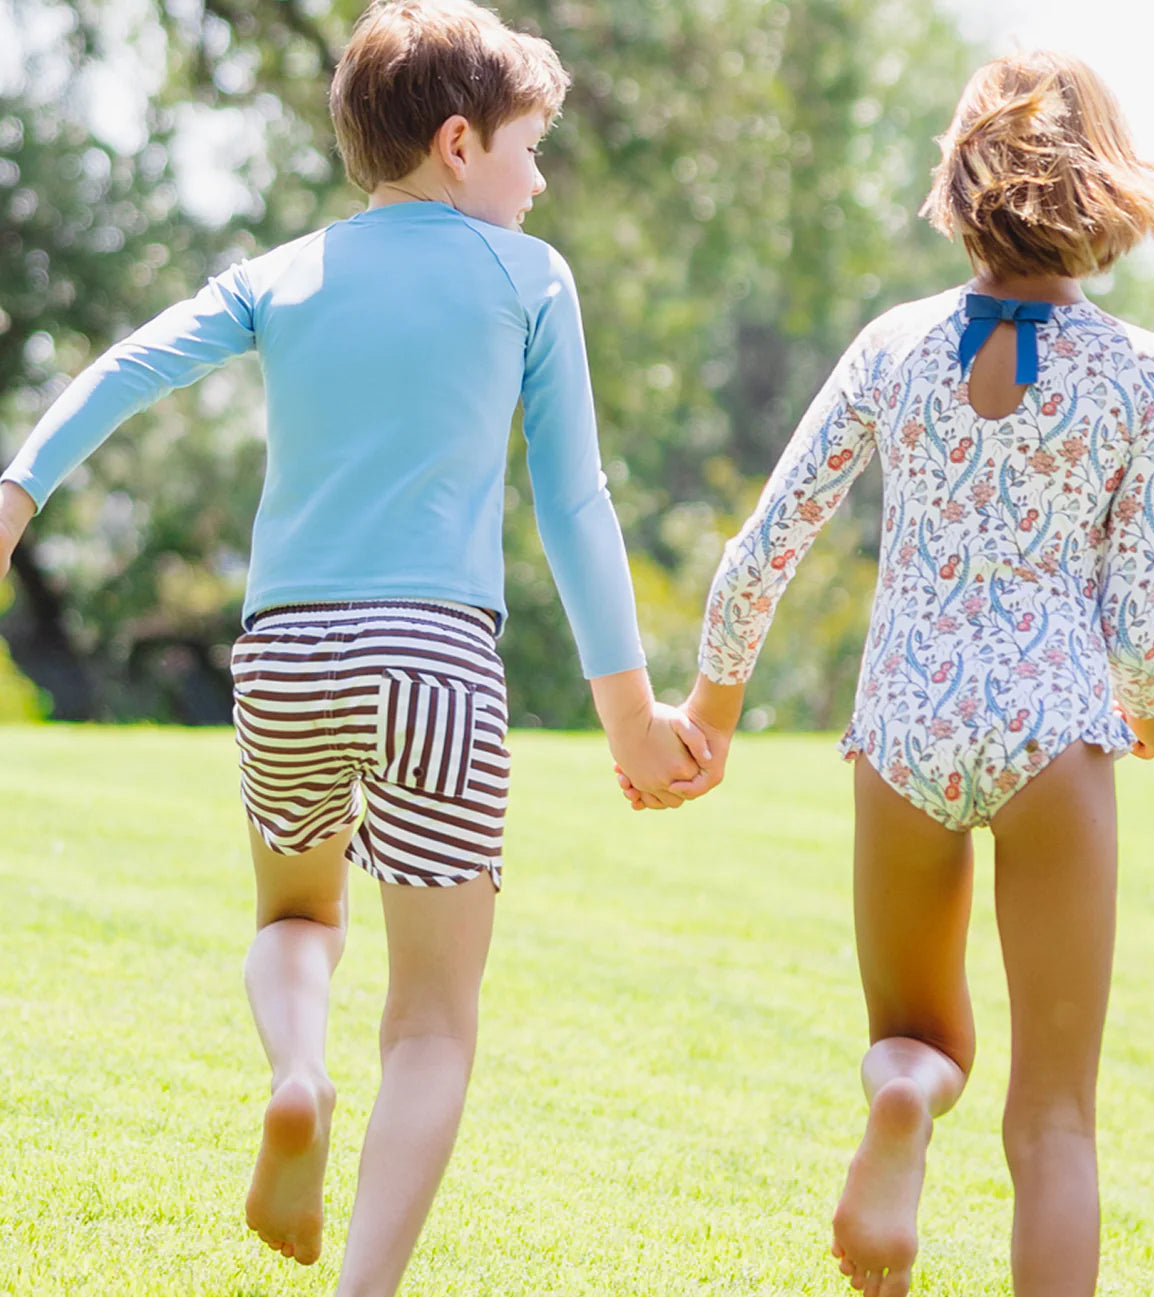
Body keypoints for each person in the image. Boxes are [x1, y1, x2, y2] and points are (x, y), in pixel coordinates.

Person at [0, 2, 706, 1293]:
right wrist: (633, 721)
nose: (540, 180)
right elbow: (573, 503)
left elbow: (130, 365)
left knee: (293, 912)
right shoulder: (528, 279)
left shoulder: (283, 271)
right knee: (435, 1022)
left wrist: (17, 492)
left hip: (287, 658)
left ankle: (295, 1073)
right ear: (457, 142)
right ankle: (363, 1287)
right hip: (440, 664)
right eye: (530, 148)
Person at [628, 50, 1154, 1297]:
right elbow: (1133, 611)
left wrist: (710, 711)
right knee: (1056, 1120)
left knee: (913, 1034)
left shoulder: (895, 346)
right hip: (1053, 733)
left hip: (901, 727)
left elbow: (765, 546)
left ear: (962, 182)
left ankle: (901, 1108)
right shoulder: (1152, 378)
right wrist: (1147, 719)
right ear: (1102, 186)